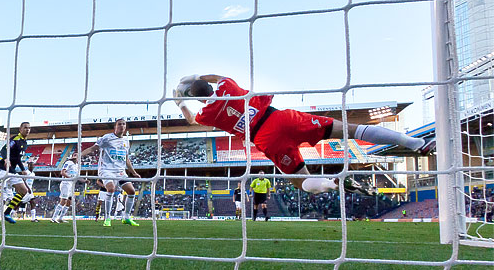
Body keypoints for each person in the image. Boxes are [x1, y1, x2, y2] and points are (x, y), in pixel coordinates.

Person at [174, 75, 436, 196]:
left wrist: (181, 101)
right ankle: (415, 143)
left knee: (302, 183)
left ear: (198, 98)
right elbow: (213, 77)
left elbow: (191, 119)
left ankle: (333, 183)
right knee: (350, 131)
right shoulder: (228, 85)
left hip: (265, 139)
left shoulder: (208, 114)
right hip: (280, 118)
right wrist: (195, 78)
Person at [81, 118, 141, 227]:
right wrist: (79, 156)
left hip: (120, 171)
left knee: (131, 191)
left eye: (123, 124)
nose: (122, 126)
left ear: (125, 127)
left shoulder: (126, 141)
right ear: (115, 127)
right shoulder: (107, 138)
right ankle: (107, 218)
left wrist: (134, 172)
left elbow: (126, 159)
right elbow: (92, 148)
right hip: (106, 169)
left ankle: (126, 217)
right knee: (111, 189)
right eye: (119, 124)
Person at [51, 152, 79, 223]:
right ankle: (53, 218)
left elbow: (76, 176)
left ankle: (60, 218)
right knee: (63, 201)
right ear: (72, 156)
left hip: (71, 185)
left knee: (69, 201)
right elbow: (62, 172)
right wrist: (69, 178)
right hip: (66, 183)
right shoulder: (69, 162)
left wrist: (84, 181)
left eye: (77, 155)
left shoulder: (77, 165)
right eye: (74, 155)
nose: (76, 156)